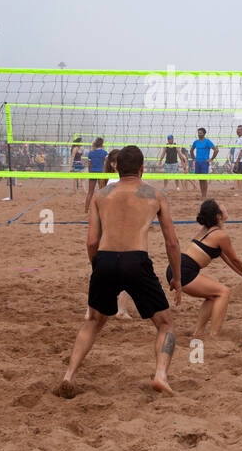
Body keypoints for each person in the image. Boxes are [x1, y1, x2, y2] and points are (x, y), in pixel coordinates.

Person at [56, 145, 182, 398]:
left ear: (116, 166)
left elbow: (91, 242)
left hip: (105, 259)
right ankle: (160, 375)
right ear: (142, 168)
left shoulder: (101, 196)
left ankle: (69, 374)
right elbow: (172, 242)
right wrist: (177, 278)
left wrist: (98, 269)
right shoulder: (155, 195)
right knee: (165, 323)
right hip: (136, 260)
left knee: (93, 321)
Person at [164, 199, 242, 338]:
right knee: (223, 292)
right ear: (218, 216)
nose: (225, 208)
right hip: (184, 271)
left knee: (212, 296)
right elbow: (236, 260)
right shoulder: (220, 235)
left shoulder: (207, 230)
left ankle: (199, 332)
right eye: (222, 208)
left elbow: (228, 260)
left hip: (175, 268)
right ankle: (214, 335)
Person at [189, 128, 218, 197]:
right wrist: (194, 158)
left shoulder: (207, 141)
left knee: (204, 180)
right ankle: (202, 195)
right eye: (198, 133)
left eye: (200, 133)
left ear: (204, 134)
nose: (199, 134)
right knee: (200, 179)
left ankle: (204, 196)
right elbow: (191, 150)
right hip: (198, 162)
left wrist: (211, 159)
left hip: (204, 163)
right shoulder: (196, 142)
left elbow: (216, 150)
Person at [83, 137, 108, 212]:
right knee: (102, 192)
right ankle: (102, 209)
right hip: (101, 173)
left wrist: (90, 173)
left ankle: (86, 210)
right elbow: (107, 163)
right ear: (102, 144)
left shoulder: (91, 153)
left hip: (93, 172)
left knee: (90, 192)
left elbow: (89, 165)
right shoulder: (105, 153)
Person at [229, 124, 242, 194]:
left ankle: (239, 192)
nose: (237, 131)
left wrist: (237, 161)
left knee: (239, 177)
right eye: (237, 129)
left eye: (239, 130)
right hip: (241, 161)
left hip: (241, 161)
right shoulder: (239, 139)